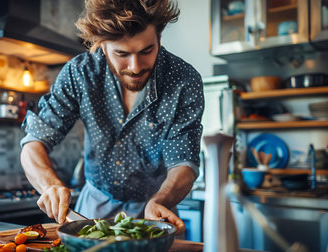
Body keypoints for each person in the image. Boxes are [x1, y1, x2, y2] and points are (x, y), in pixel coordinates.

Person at [20, 0, 204, 235]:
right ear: (102, 45)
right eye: (122, 54)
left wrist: (162, 200)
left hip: (156, 211)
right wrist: (50, 185)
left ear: (158, 38)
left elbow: (183, 163)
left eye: (147, 50)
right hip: (92, 209)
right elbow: (33, 143)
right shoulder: (80, 73)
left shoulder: (184, 80)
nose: (135, 67)